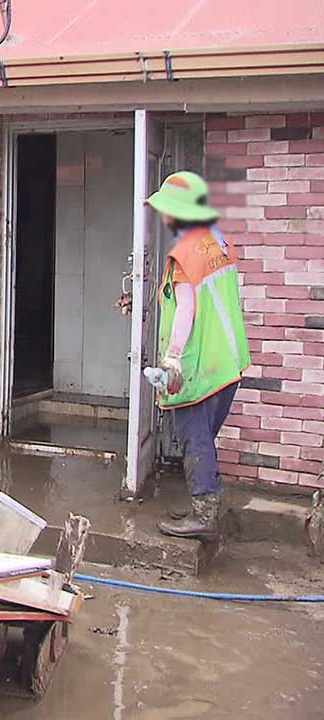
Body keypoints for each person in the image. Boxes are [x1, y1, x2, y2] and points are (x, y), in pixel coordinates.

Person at [147, 171, 250, 541]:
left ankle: (204, 514)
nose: (162, 216)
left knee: (195, 437)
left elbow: (187, 308)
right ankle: (204, 506)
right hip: (228, 364)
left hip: (199, 367)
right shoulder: (219, 242)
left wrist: (173, 358)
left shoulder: (184, 255)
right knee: (204, 435)